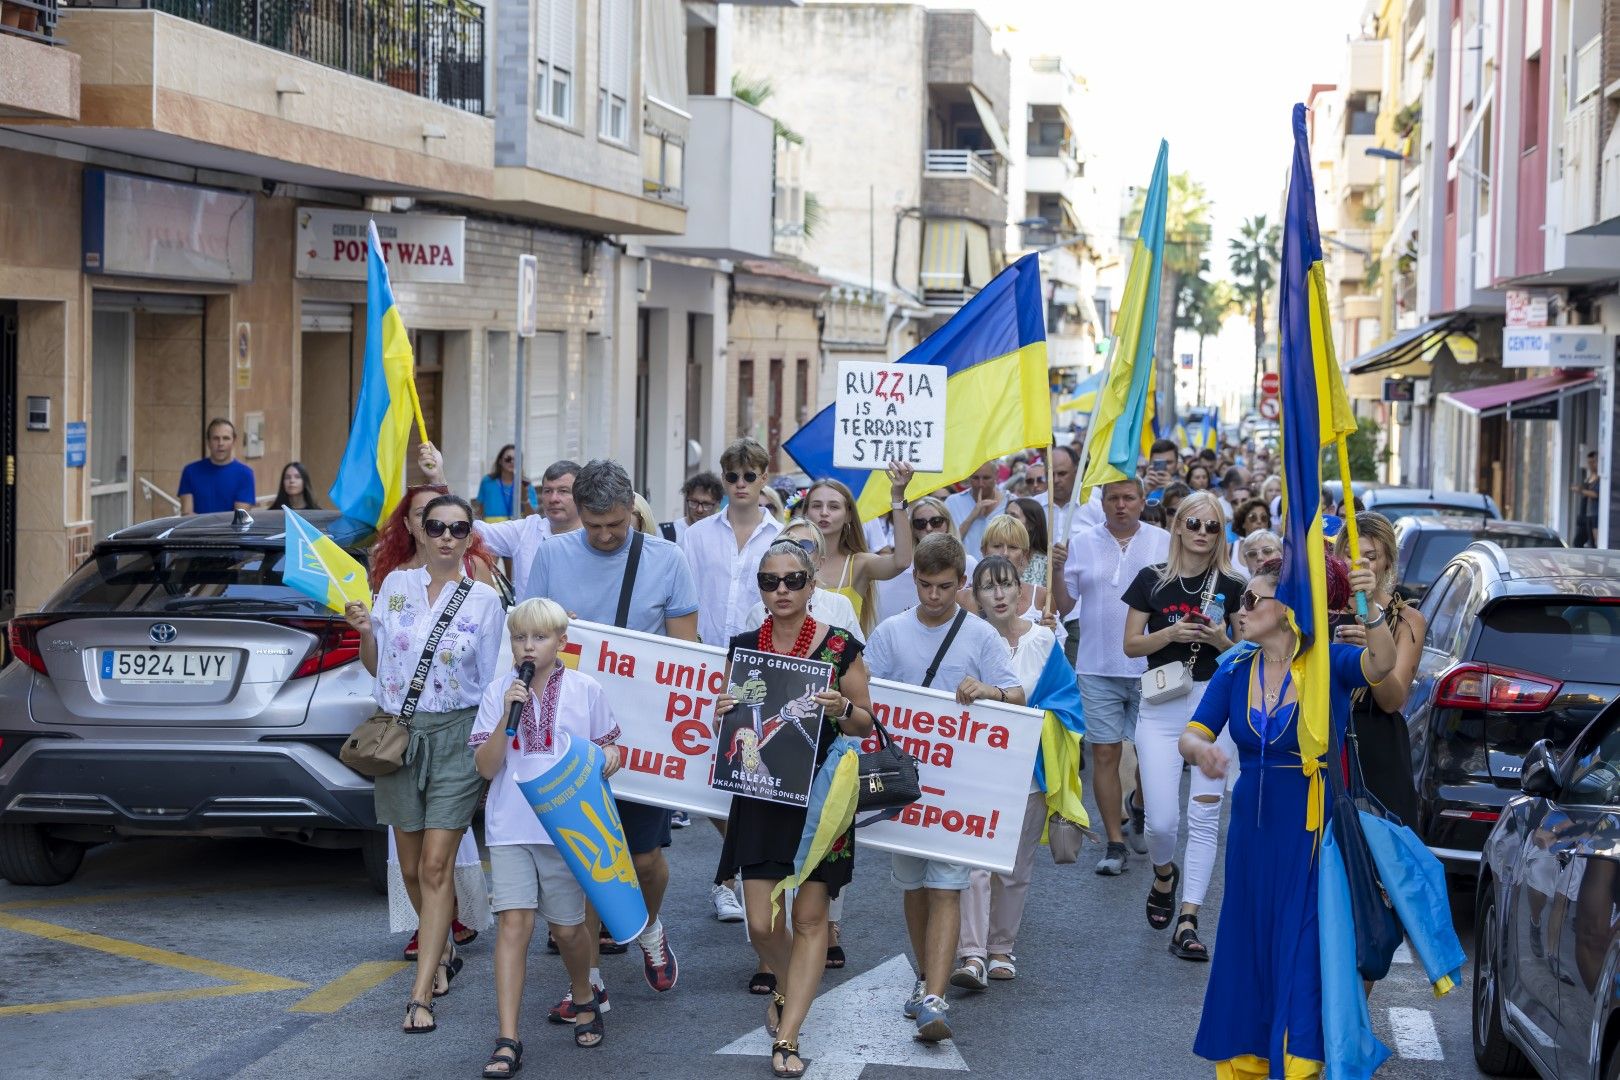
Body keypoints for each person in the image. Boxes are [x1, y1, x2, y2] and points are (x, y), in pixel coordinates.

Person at [1180, 558, 1396, 1076]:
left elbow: (1382, 664)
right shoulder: (1234, 666)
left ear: (1288, 609)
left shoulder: (1328, 664)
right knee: (1249, 946)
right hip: (1251, 839)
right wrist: (1200, 753)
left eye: (1253, 600)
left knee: (1302, 952)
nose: (1241, 608)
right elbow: (1193, 733)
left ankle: (1299, 1065)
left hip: (1311, 835)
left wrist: (1371, 610)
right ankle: (1248, 1060)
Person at [524, 459, 697, 1004]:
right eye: (594, 525)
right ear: (578, 512)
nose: (604, 536)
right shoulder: (551, 556)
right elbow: (527, 636)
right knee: (582, 861)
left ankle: (649, 929)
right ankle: (588, 985)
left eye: (616, 526)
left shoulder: (669, 560)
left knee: (643, 857)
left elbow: (685, 654)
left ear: (632, 512)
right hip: (568, 730)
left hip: (641, 733)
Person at [712, 540, 875, 1077]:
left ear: (811, 585)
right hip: (762, 793)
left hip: (822, 797)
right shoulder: (744, 648)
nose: (780, 590)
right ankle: (788, 989)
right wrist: (724, 713)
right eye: (769, 580)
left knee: (810, 919)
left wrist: (843, 706)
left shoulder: (840, 648)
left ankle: (788, 1035)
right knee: (761, 923)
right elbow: (736, 723)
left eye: (792, 580)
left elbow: (865, 722)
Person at [344, 493, 505, 1033]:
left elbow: (490, 684)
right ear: (417, 531)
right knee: (412, 868)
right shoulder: (394, 588)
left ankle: (423, 989)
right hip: (399, 733)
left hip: (457, 735)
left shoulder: (483, 601)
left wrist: (489, 746)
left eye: (458, 529)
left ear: (469, 537)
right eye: (435, 526)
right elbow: (377, 666)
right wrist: (367, 631)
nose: (445, 537)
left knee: (436, 865)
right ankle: (445, 948)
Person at [864, 533, 1024, 1042]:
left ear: (962, 585)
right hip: (902, 786)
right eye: (927, 586)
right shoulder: (890, 632)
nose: (935, 597)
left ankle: (936, 996)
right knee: (913, 887)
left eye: (946, 588)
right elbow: (866, 693)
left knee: (948, 885)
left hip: (956, 787)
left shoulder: (978, 634)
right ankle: (923, 976)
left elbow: (1017, 694)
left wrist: (990, 690)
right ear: (915, 580)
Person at [471, 598, 623, 1073]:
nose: (529, 646)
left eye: (539, 637)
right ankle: (508, 1037)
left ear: (562, 642)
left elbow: (609, 746)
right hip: (509, 824)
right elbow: (486, 766)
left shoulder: (586, 689)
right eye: (520, 638)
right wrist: (506, 715)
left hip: (566, 825)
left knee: (566, 928)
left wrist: (612, 757)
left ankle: (583, 992)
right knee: (513, 925)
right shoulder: (501, 691)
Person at [1121, 490, 1245, 962]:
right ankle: (1163, 873)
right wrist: (1169, 633)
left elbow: (1246, 652)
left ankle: (1189, 919)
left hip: (1213, 703)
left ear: (1221, 534)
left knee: (1205, 816)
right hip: (1160, 704)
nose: (1201, 533)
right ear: (1177, 526)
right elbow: (1131, 645)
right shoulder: (1151, 580)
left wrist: (1219, 638)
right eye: (1193, 523)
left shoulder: (1233, 585)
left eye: (1212, 526)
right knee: (1161, 821)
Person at [1050, 478, 1170, 874]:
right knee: (1104, 752)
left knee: (1151, 754)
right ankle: (1115, 844)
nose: (1121, 505)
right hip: (1097, 665)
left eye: (1128, 498)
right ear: (1102, 503)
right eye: (1113, 498)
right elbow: (1065, 603)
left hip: (1151, 666)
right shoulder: (1081, 543)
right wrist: (1056, 570)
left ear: (1141, 501)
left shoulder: (1164, 541)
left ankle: (1138, 805)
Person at [951, 555, 1056, 991]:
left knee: (1014, 865)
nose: (998, 594)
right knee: (973, 863)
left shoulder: (1045, 640)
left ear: (1020, 590)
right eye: (988, 587)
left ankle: (1001, 948)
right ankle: (971, 953)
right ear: (975, 597)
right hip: (977, 765)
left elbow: (1062, 702)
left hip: (1029, 765)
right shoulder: (963, 639)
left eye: (1006, 584)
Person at [1333, 513, 1428, 826]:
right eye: (1349, 555)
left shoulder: (1405, 619)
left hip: (1377, 746)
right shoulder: (1321, 612)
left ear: (1387, 562)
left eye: (1370, 557)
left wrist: (1372, 653)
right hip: (1326, 738)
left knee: (1382, 861)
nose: (1358, 566)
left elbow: (1391, 700)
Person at [683, 439, 784, 649]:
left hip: (758, 655)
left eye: (749, 476)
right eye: (732, 476)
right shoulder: (696, 535)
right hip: (702, 653)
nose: (740, 483)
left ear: (763, 478)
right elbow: (684, 596)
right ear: (723, 479)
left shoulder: (781, 538)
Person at [801, 466, 916, 635]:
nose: (824, 513)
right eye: (817, 506)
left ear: (848, 515)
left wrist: (898, 497)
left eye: (834, 507)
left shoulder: (860, 564)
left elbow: (902, 561)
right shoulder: (790, 561)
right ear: (806, 513)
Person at [872, 496, 975, 624]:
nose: (929, 528)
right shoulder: (902, 566)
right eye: (920, 523)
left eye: (936, 521)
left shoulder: (969, 563)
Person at [477, 460, 582, 586]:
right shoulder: (526, 530)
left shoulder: (595, 535)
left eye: (563, 491)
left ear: (581, 494)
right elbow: (473, 530)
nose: (553, 499)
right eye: (548, 491)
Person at [958, 515, 1052, 624]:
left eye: (1013, 547)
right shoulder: (962, 598)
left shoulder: (1042, 596)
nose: (1005, 553)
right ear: (983, 551)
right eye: (997, 546)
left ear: (1024, 554)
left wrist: (1050, 631)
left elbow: (1053, 639)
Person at [179, 417, 256, 514]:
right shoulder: (190, 471)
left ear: (234, 441)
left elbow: (239, 518)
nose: (221, 443)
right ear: (208, 441)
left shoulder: (245, 474)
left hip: (228, 529)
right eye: (216, 438)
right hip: (197, 529)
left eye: (226, 438)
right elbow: (187, 514)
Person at [945, 460, 1007, 555]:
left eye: (986, 478)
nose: (981, 483)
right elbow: (946, 545)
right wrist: (973, 515)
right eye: (975, 478)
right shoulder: (952, 502)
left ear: (996, 475)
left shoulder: (1010, 502)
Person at [474, 445, 537, 523]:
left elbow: (532, 517)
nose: (512, 462)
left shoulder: (525, 484)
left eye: (516, 459)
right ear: (500, 461)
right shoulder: (487, 481)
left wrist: (525, 500)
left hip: (515, 531)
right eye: (508, 459)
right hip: (492, 530)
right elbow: (480, 510)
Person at [660, 472, 724, 544]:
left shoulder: (725, 536)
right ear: (686, 499)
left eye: (706, 504)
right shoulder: (664, 534)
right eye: (694, 502)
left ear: (718, 504)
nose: (699, 510)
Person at [1005, 497, 1051, 588]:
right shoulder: (996, 554)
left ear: (1031, 525)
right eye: (1005, 515)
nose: (1006, 520)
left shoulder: (1046, 563)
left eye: (1013, 516)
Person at [1574, 450, 1600, 547]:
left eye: (1592, 462)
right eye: (1589, 463)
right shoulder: (1589, 477)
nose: (1591, 465)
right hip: (1584, 515)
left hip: (1593, 516)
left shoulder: (1599, 478)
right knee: (1578, 542)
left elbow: (1596, 494)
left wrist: (1581, 491)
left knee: (1593, 544)